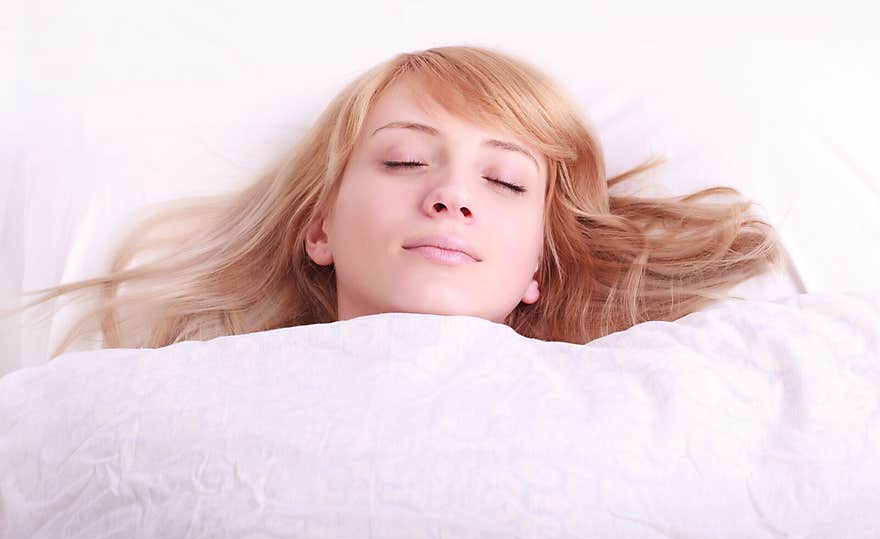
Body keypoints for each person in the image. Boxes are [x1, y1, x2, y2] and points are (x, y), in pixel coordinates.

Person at [3, 45, 786, 356]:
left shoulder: (656, 394)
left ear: (537, 271)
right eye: (407, 160)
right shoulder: (152, 399)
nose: (450, 195)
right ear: (319, 228)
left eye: (505, 181)